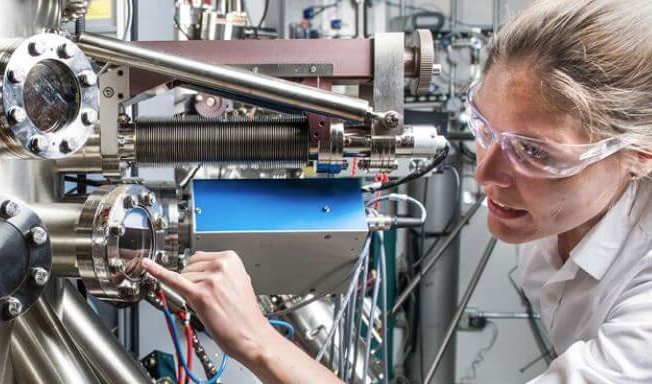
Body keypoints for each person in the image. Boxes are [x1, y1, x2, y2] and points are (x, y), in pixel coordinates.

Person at [142, 0, 652, 382]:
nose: (486, 174)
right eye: (485, 130)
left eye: (537, 154)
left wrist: (257, 342)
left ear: (640, 155)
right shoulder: (561, 211)